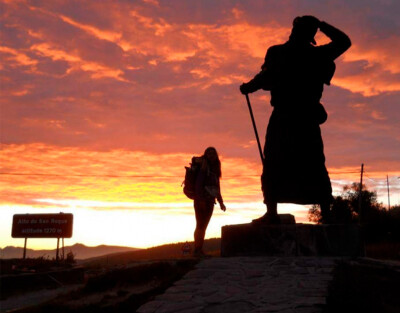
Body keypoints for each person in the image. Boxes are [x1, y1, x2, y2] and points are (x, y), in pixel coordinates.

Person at [240, 16, 351, 224]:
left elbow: (264, 77)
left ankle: (312, 211)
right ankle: (285, 211)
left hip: (294, 116)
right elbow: (265, 76)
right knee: (293, 160)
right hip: (297, 116)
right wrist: (322, 24)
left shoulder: (282, 52)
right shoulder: (305, 54)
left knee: (301, 160)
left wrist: (249, 86)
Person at [193, 147, 226, 257]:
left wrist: (221, 202)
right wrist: (201, 199)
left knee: (203, 226)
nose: (211, 155)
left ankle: (198, 249)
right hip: (202, 201)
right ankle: (197, 250)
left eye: (213, 153)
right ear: (206, 155)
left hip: (210, 201)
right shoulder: (204, 166)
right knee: (200, 225)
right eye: (209, 153)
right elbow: (198, 184)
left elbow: (217, 187)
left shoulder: (215, 169)